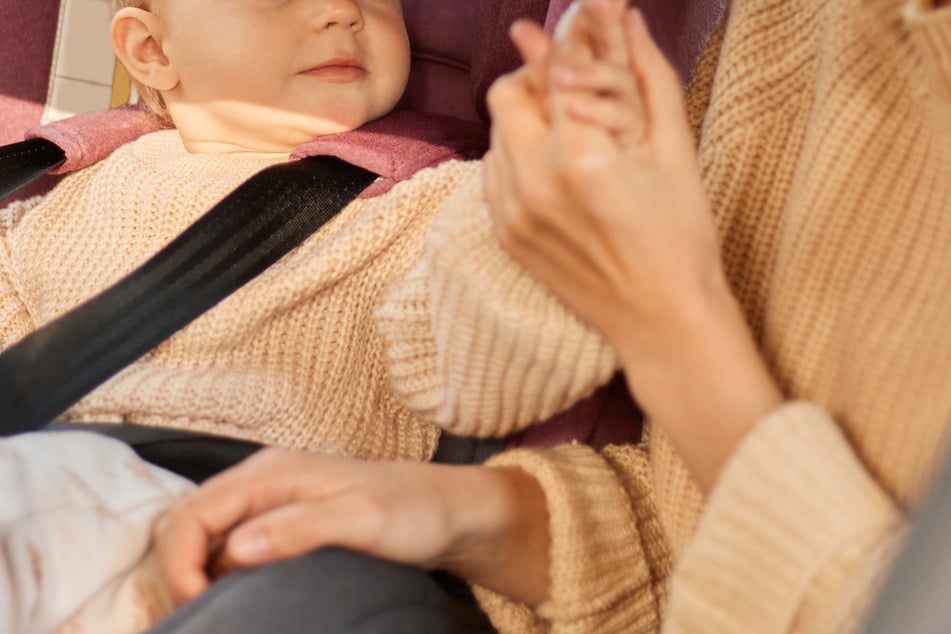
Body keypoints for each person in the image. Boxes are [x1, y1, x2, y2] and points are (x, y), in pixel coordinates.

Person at [149, 0, 951, 632]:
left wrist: (662, 322)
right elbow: (697, 532)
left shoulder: (424, 199)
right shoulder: (771, 29)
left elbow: (472, 365)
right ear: (150, 53)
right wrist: (455, 511)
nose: (341, 12)